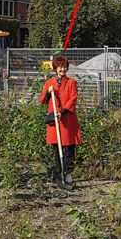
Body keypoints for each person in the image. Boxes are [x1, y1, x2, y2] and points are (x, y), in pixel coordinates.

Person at [40, 56, 81, 185]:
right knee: (56, 148)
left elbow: (73, 99)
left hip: (67, 119)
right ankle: (58, 172)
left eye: (64, 67)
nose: (62, 69)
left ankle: (68, 173)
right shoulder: (49, 83)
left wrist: (62, 112)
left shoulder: (71, 82)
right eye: (60, 67)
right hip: (54, 121)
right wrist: (48, 92)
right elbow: (43, 101)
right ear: (55, 68)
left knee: (69, 147)